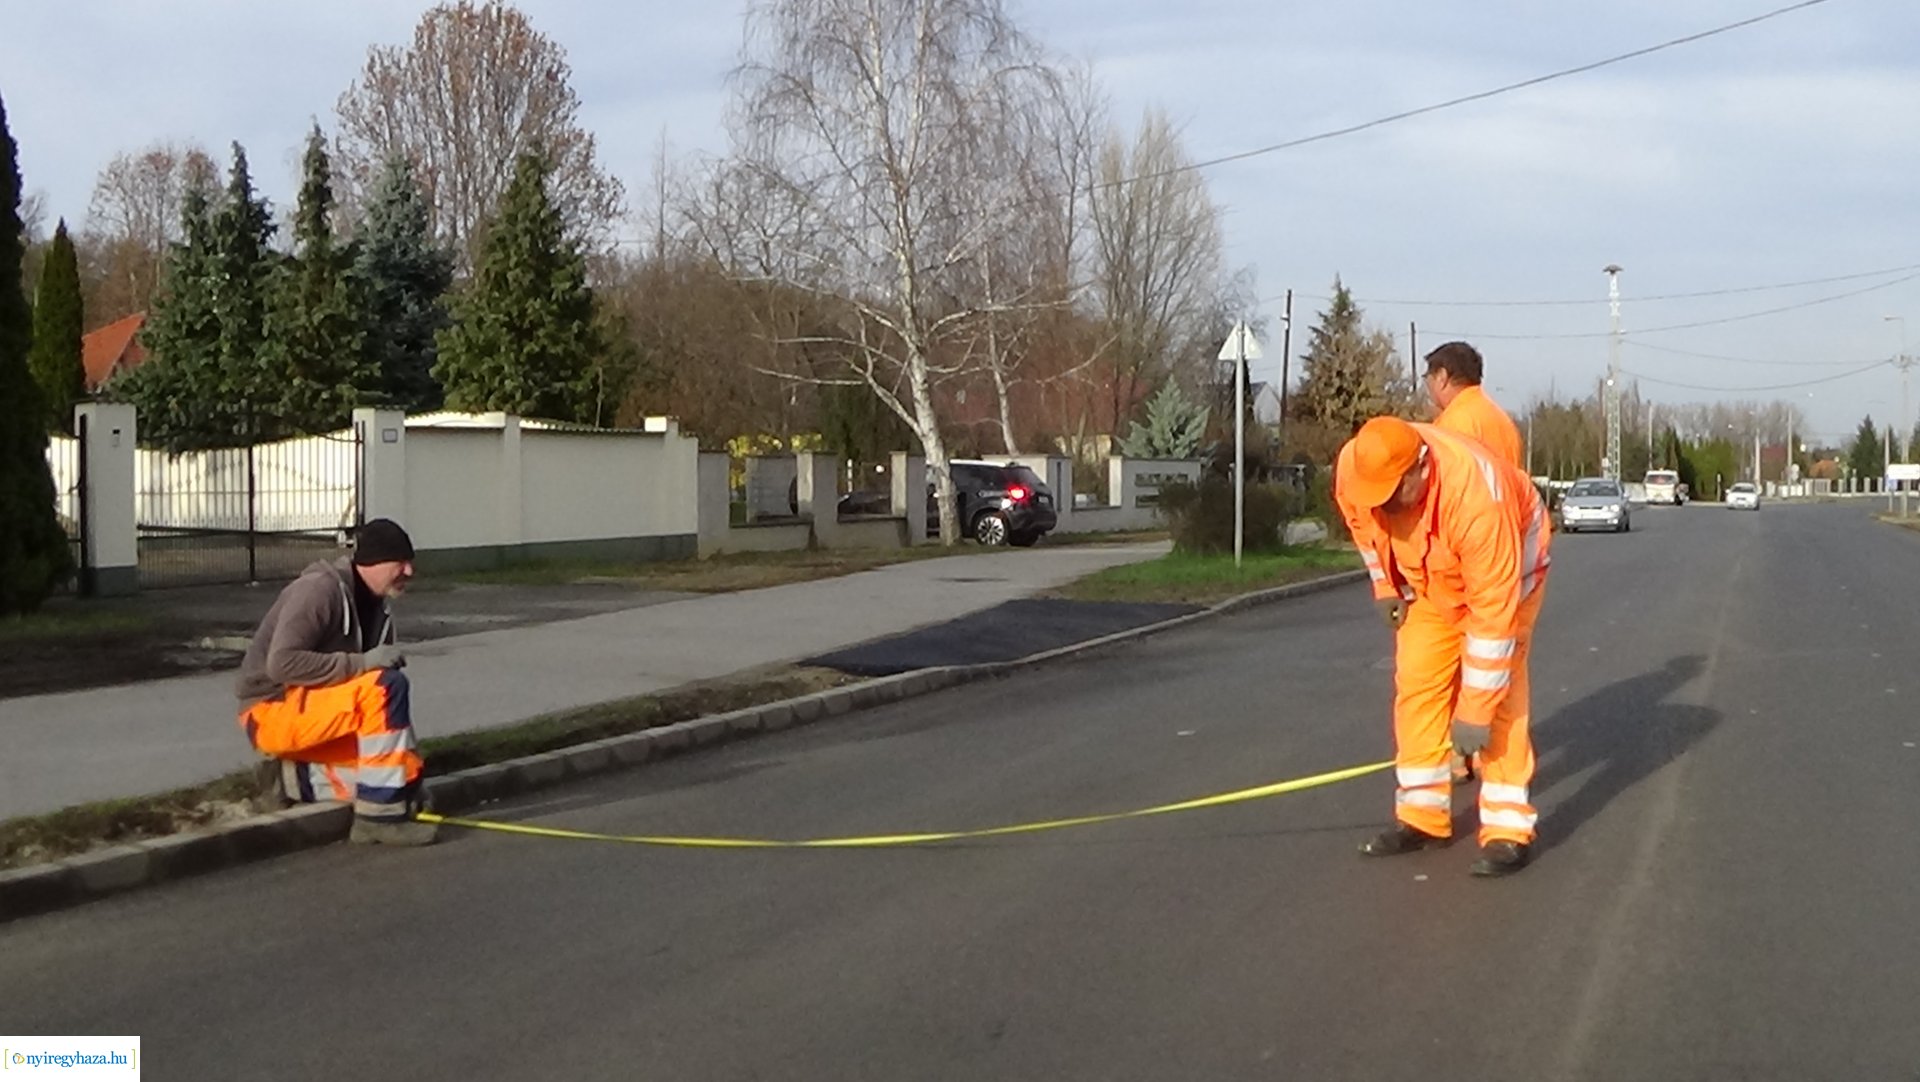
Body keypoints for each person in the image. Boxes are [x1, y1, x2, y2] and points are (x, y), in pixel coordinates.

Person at [1334, 417, 1551, 876]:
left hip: (1505, 582)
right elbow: (1364, 529)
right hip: (1430, 583)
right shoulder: (1360, 468)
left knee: (1501, 699)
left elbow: (1493, 616)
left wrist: (1474, 712)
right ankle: (1422, 816)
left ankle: (1508, 830)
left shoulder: (1475, 501)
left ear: (1420, 470)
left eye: (1394, 494)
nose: (1385, 505)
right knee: (1418, 684)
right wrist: (1385, 586)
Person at [234, 518, 435, 846]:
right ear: (373, 562)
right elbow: (281, 664)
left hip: (316, 712)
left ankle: (291, 781)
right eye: (401, 562)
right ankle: (377, 820)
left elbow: (385, 723)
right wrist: (361, 663)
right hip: (270, 709)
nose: (410, 572)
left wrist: (408, 782)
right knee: (386, 685)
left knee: (397, 776)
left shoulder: (379, 612)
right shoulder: (318, 590)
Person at [1423, 341, 1525, 470]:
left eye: (1427, 377)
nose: (1427, 386)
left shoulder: (1453, 423)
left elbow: (1451, 482)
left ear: (1442, 377)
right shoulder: (1504, 421)